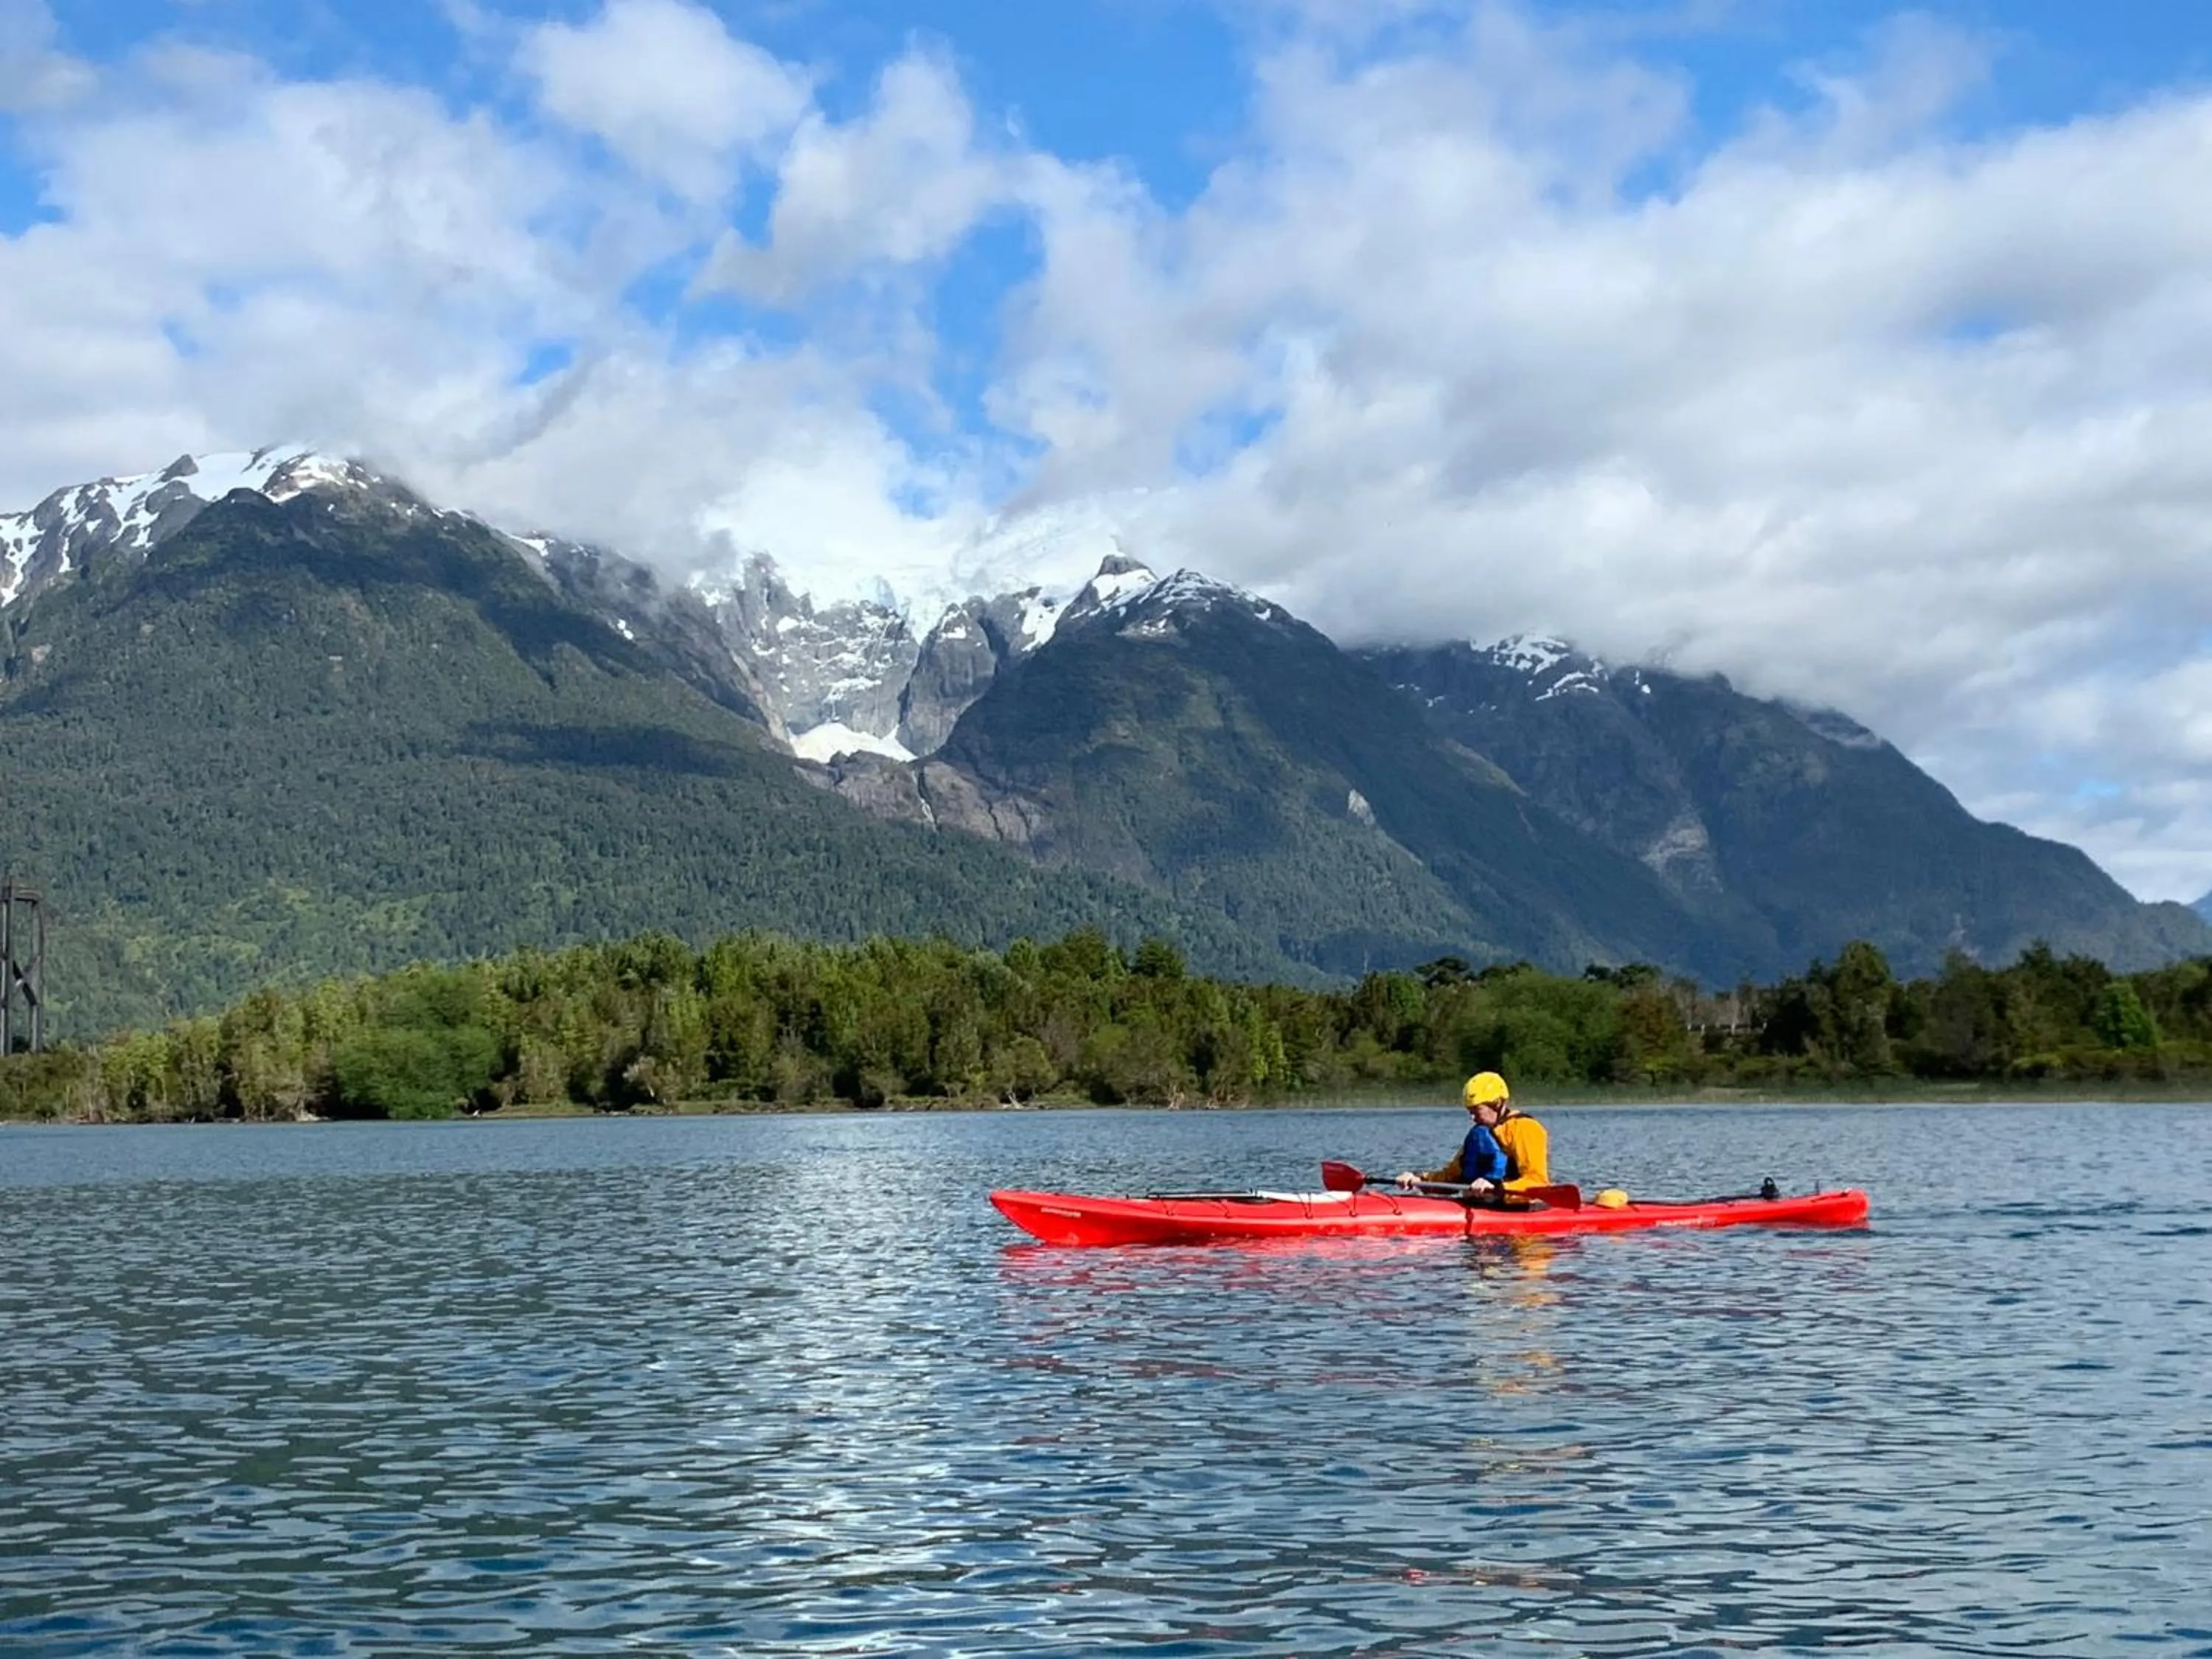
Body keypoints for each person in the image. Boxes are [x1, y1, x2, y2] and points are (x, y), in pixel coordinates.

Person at [1397, 1071, 1552, 1201]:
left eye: (1476, 1111)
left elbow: (1537, 1182)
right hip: (1478, 1206)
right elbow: (1451, 1176)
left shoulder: (1525, 1128)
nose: (1472, 1118)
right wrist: (1419, 1181)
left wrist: (1497, 1188)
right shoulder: (1480, 1134)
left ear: (1497, 1104)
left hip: (1515, 1211)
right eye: (1469, 1111)